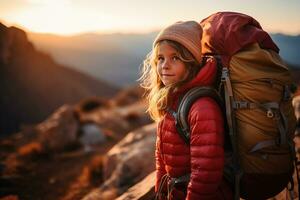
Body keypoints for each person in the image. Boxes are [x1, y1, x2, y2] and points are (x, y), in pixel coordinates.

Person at [140, 21, 232, 200]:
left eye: (175, 57)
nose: (164, 65)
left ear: (191, 63)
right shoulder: (172, 100)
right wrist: (162, 190)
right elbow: (162, 159)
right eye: (160, 58)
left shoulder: (202, 107)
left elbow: (205, 173)